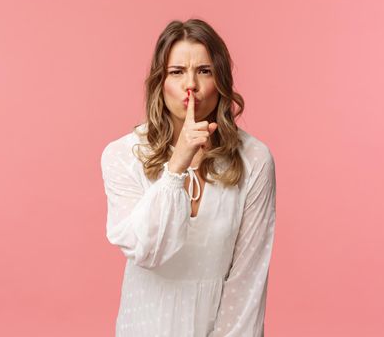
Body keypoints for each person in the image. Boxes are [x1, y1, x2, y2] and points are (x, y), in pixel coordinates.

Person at [100, 18, 277, 337]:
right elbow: (147, 252)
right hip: (144, 325)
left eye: (204, 71)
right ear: (160, 81)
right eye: (177, 71)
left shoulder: (254, 158)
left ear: (220, 81)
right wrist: (176, 167)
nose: (190, 84)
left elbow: (248, 280)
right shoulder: (122, 155)